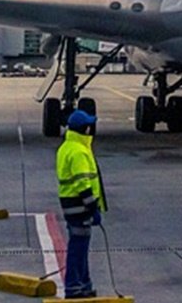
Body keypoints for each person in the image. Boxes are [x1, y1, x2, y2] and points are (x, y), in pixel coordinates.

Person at [55, 109, 105, 299]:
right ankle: (74, 286)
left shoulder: (67, 147)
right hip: (80, 207)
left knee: (80, 247)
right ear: (84, 128)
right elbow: (83, 184)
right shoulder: (78, 152)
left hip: (71, 206)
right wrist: (93, 208)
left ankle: (83, 283)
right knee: (78, 249)